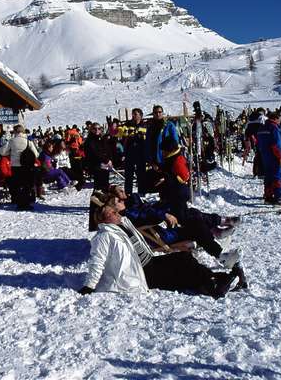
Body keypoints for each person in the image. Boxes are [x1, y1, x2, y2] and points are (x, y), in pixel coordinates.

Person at [79, 192, 242, 298]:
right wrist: (89, 286)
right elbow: (97, 261)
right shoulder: (104, 236)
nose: (117, 213)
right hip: (139, 273)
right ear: (104, 220)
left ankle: (215, 278)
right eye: (112, 213)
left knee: (183, 257)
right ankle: (212, 285)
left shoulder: (123, 222)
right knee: (180, 269)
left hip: (148, 261)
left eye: (114, 211)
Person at [0, 124, 39, 211]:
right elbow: (36, 154)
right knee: (26, 185)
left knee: (17, 185)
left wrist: (11, 153)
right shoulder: (28, 142)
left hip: (15, 166)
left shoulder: (11, 141)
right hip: (27, 166)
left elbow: (2, 152)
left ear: (15, 132)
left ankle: (19, 202)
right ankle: (26, 203)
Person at [85, 122, 114, 231]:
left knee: (105, 189)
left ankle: (105, 213)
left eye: (99, 128)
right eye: (94, 128)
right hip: (97, 168)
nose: (97, 130)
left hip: (105, 168)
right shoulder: (89, 141)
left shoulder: (102, 139)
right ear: (91, 130)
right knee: (98, 190)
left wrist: (110, 159)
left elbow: (108, 150)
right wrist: (105, 160)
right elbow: (94, 154)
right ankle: (95, 216)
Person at [257, 111, 281, 204]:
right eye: (279, 119)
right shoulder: (274, 128)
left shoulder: (262, 127)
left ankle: (268, 196)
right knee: (277, 175)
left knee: (268, 176)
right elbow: (276, 144)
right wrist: (280, 157)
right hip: (273, 155)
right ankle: (279, 196)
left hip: (264, 155)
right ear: (276, 118)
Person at [118, 108, 147, 196]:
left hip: (141, 153)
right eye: (133, 114)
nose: (134, 116)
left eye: (136, 114)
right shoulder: (127, 124)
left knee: (141, 175)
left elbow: (147, 137)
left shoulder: (145, 125)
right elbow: (120, 135)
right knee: (128, 175)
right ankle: (128, 194)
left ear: (140, 116)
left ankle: (142, 193)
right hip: (129, 153)